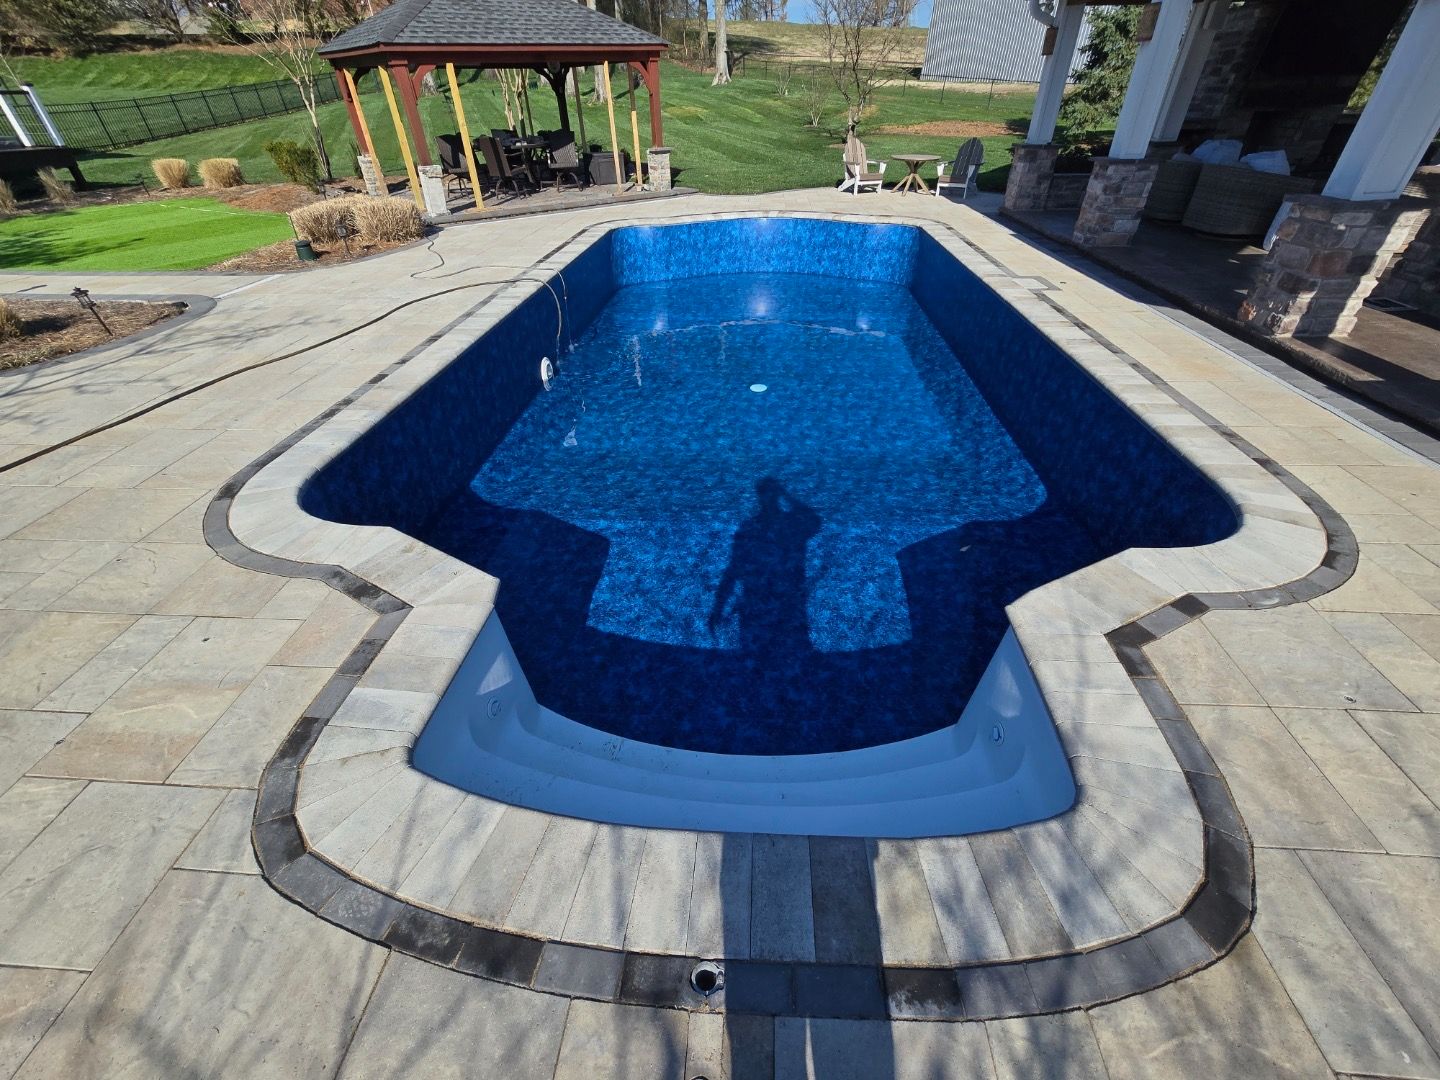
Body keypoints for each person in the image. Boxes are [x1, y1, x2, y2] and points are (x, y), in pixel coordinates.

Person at [708, 477, 821, 652]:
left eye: (772, 492)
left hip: (781, 607)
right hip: (768, 606)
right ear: (761, 496)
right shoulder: (782, 526)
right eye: (767, 492)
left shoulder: (790, 525)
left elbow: (814, 519)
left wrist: (718, 607)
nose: (769, 497)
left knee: (780, 657)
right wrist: (718, 607)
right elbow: (733, 570)